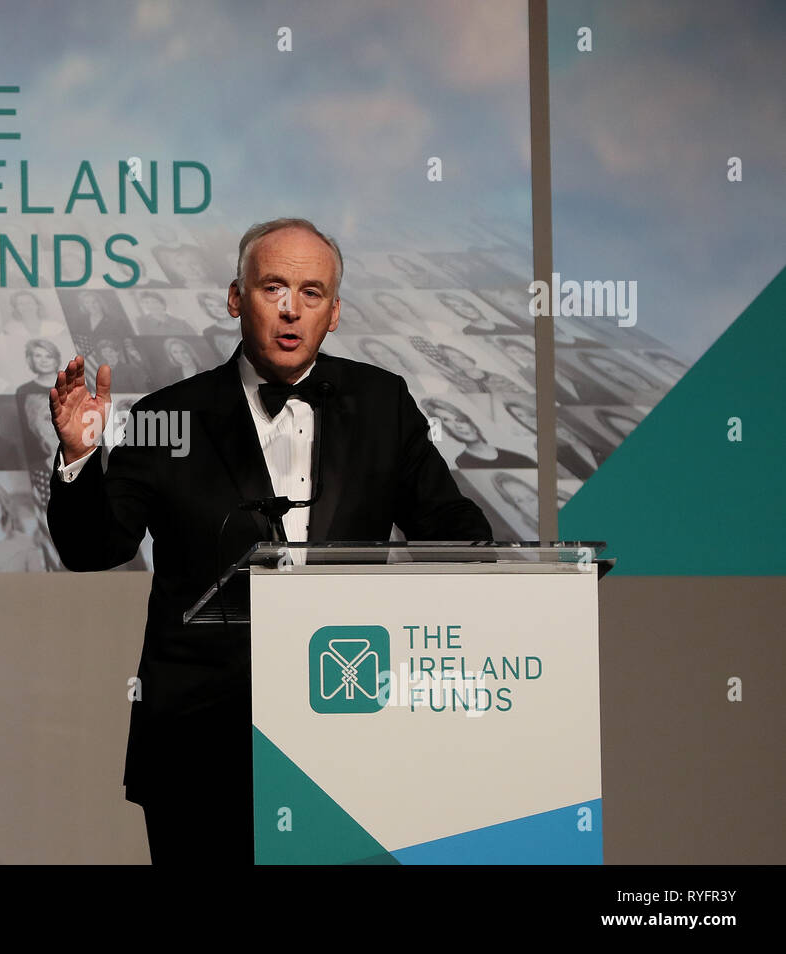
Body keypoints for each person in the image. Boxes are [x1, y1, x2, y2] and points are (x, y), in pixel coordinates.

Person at [47, 218, 492, 864]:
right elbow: (95, 547)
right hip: (200, 750)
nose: (291, 310)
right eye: (273, 287)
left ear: (335, 313)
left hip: (347, 731)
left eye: (312, 294)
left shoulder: (382, 404)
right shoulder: (167, 418)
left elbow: (455, 531)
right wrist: (79, 458)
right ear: (235, 298)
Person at [419, 397, 536, 469]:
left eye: (458, 419)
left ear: (470, 423)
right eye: (446, 420)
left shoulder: (519, 457)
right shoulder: (460, 462)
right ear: (445, 429)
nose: (458, 426)